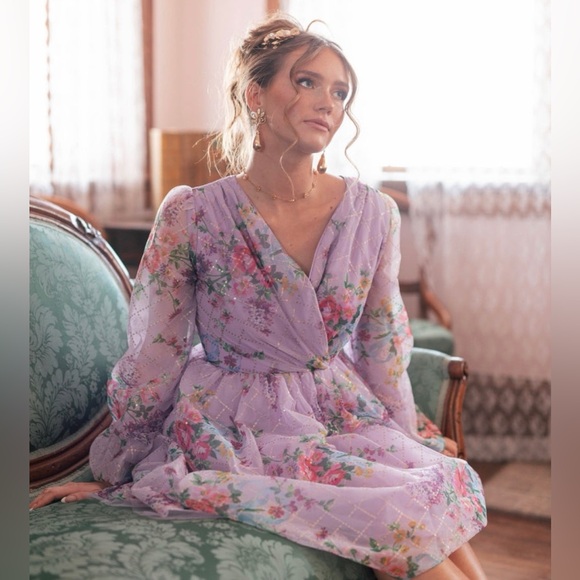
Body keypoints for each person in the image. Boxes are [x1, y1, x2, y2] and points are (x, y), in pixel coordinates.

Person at [29, 13, 487, 580]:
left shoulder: (373, 213)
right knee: (401, 521)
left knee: (429, 492)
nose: (327, 103)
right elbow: (156, 352)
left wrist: (404, 434)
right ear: (254, 94)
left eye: (340, 92)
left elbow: (382, 343)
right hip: (236, 420)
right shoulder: (192, 214)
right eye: (306, 82)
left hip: (339, 408)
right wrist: (118, 463)